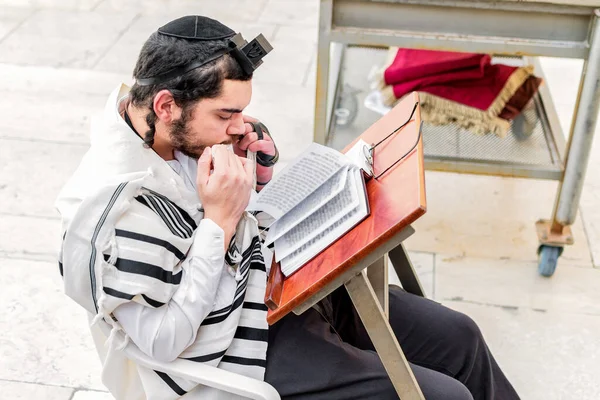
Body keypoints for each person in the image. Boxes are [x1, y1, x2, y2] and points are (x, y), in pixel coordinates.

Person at [56, 15, 520, 400]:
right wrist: (218, 222)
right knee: (445, 397)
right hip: (239, 346)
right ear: (166, 105)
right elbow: (164, 341)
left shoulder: (171, 133)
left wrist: (250, 175)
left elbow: (224, 222)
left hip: (278, 287)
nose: (239, 125)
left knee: (462, 338)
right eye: (225, 115)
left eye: (242, 111)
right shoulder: (110, 210)